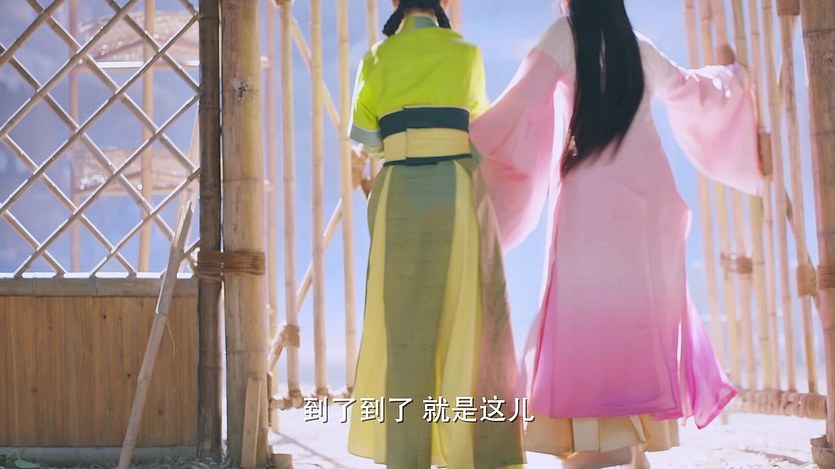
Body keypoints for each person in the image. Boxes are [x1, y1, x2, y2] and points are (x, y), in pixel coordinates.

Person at [470, 1, 763, 468]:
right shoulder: (637, 47)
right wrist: (733, 78)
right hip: (648, 200)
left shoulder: (565, 37)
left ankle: (592, 446)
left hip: (591, 197)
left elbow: (517, 107)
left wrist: (456, 137)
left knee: (586, 319)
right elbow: (691, 89)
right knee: (637, 319)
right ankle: (635, 447)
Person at [346, 1, 526, 467]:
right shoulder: (466, 53)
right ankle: (470, 450)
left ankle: (408, 454)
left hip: (399, 195)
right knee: (467, 320)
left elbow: (368, 140)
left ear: (395, 3)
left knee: (402, 328)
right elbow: (478, 130)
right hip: (456, 192)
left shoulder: (375, 58)